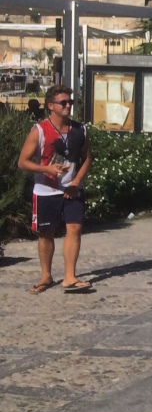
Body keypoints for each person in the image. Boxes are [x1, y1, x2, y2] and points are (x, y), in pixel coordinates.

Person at [18, 85, 93, 293]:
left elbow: (87, 158)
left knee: (75, 229)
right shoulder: (39, 130)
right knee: (46, 233)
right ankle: (46, 276)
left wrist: (77, 181)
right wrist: (46, 168)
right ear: (51, 106)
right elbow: (22, 162)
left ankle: (70, 276)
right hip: (46, 190)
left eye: (70, 102)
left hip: (72, 188)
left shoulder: (80, 129)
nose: (68, 105)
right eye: (63, 103)